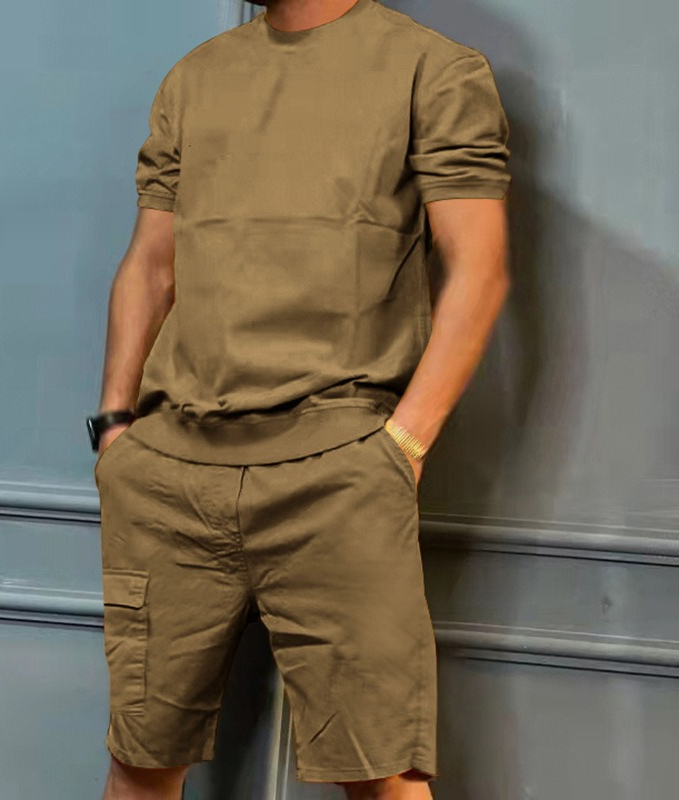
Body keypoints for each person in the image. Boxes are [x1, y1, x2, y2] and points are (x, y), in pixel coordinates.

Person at [86, 1, 511, 798]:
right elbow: (150, 264)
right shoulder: (195, 77)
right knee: (139, 764)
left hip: (337, 475)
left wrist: (404, 444)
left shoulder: (434, 70)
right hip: (169, 475)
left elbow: (479, 270)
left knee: (384, 774)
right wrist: (115, 426)